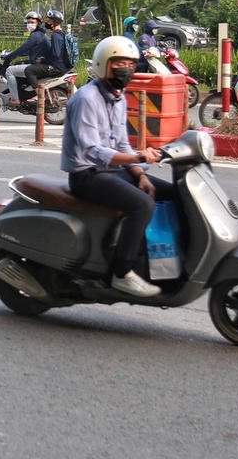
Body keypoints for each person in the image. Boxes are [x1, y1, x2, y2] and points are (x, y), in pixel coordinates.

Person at [60, 35, 174, 297]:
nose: (126, 69)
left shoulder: (119, 98)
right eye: (119, 63)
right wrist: (138, 159)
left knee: (172, 192)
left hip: (115, 171)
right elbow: (93, 151)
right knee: (142, 204)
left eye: (130, 64)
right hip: (86, 176)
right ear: (103, 64)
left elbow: (122, 144)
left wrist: (139, 174)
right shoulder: (86, 99)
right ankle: (122, 273)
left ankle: (163, 260)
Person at [0, 11, 50, 105]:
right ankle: (24, 92)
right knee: (18, 64)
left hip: (38, 64)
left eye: (32, 22)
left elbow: (23, 49)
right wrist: (13, 54)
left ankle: (15, 99)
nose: (30, 24)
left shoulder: (35, 36)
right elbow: (28, 51)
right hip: (40, 62)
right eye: (28, 22)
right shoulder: (41, 34)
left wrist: (8, 56)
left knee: (9, 71)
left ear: (38, 23)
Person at [23, 9, 73, 100]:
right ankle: (50, 94)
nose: (47, 22)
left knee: (29, 70)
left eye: (49, 20)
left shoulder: (56, 36)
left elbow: (56, 55)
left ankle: (39, 95)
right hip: (62, 66)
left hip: (57, 67)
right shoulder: (62, 34)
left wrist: (43, 60)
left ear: (54, 22)